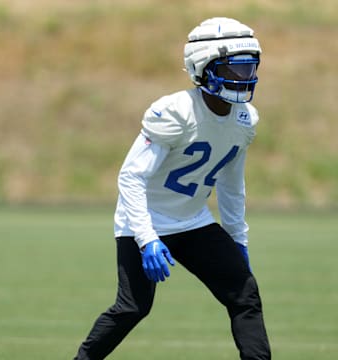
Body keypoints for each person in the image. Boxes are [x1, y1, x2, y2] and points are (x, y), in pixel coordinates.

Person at [74, 17, 271, 360]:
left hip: (193, 221)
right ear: (203, 67)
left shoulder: (245, 118)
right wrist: (146, 237)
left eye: (249, 68)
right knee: (133, 307)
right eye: (235, 70)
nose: (245, 78)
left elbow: (230, 183)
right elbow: (131, 177)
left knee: (245, 295)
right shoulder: (175, 111)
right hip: (145, 218)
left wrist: (238, 239)